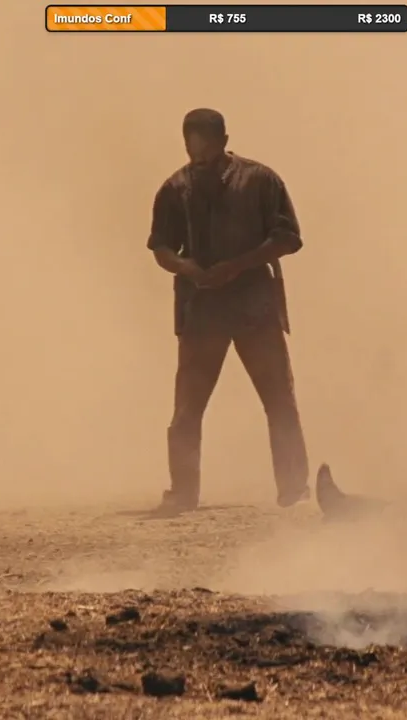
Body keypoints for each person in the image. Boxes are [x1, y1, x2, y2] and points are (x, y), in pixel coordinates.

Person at [145, 108, 310, 516]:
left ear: (223, 141)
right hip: (202, 309)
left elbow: (288, 237)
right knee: (188, 406)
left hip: (254, 305)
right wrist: (189, 269)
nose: (197, 153)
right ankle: (183, 491)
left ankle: (293, 486)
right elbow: (161, 247)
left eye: (205, 145)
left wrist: (238, 266)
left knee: (278, 398)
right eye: (191, 145)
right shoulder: (175, 188)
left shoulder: (260, 180)